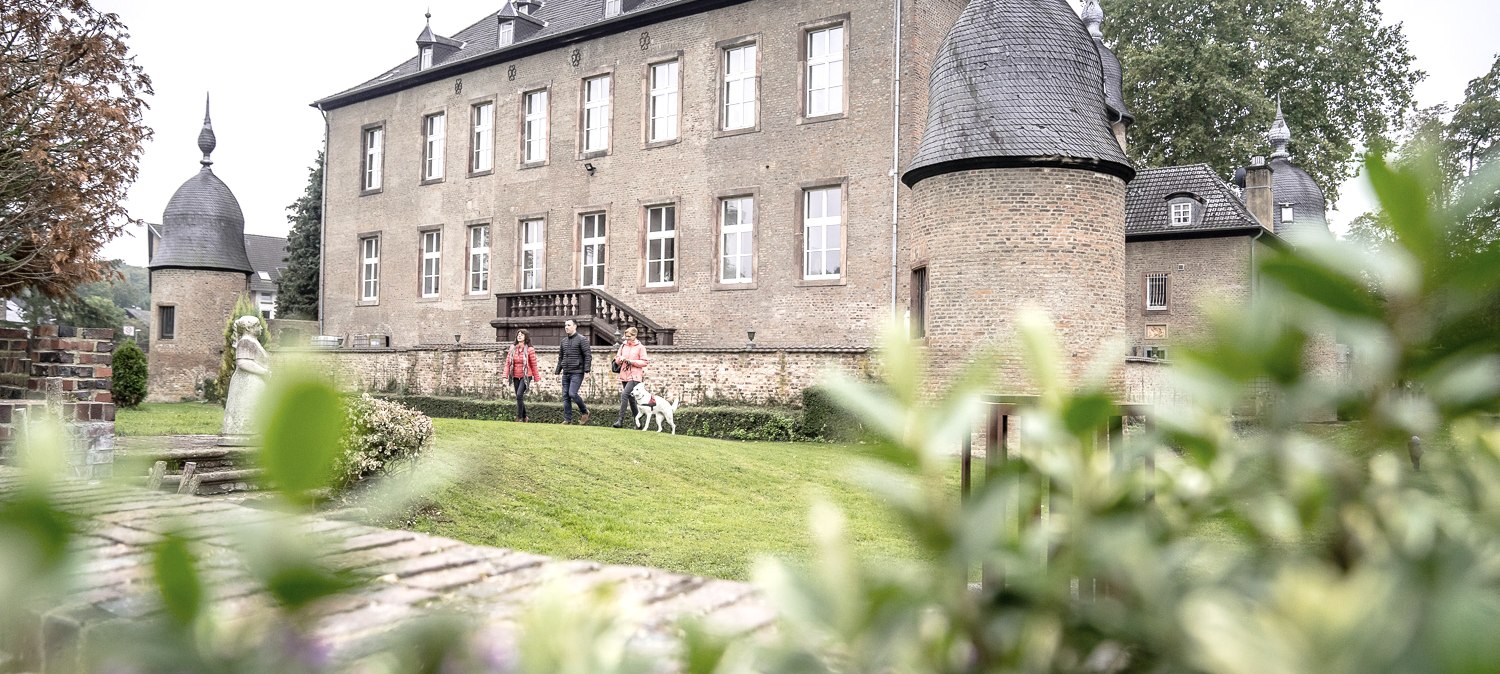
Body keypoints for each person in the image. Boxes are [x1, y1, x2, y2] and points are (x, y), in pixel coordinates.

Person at [220, 315, 271, 443]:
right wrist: (263, 372)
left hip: (254, 382)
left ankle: (252, 433)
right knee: (246, 407)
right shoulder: (246, 341)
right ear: (249, 328)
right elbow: (242, 362)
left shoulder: (252, 341)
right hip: (247, 383)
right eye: (258, 326)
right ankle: (243, 434)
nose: (261, 328)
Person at [555, 319, 592, 424]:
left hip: (577, 372)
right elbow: (560, 357)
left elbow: (588, 356)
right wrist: (557, 372)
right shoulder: (563, 341)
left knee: (572, 393)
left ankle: (585, 411)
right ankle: (567, 420)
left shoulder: (582, 339)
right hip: (566, 372)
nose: (566, 327)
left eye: (569, 325)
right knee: (565, 396)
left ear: (575, 326)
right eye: (565, 325)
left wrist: (587, 371)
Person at [613, 327, 649, 428]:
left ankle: (620, 421)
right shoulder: (623, 346)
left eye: (629, 337)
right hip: (624, 374)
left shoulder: (640, 347)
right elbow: (617, 358)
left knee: (624, 394)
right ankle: (638, 424)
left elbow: (645, 362)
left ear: (634, 336)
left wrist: (631, 361)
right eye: (626, 336)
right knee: (631, 399)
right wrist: (620, 360)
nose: (627, 338)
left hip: (635, 376)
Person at [503, 329, 539, 422]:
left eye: (522, 335)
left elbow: (533, 364)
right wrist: (505, 375)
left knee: (519, 395)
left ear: (525, 337)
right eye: (518, 334)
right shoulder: (512, 348)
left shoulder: (530, 349)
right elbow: (508, 362)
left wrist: (536, 377)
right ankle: (525, 417)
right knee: (519, 397)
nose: (519, 336)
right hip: (515, 375)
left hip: (526, 376)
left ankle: (519, 417)